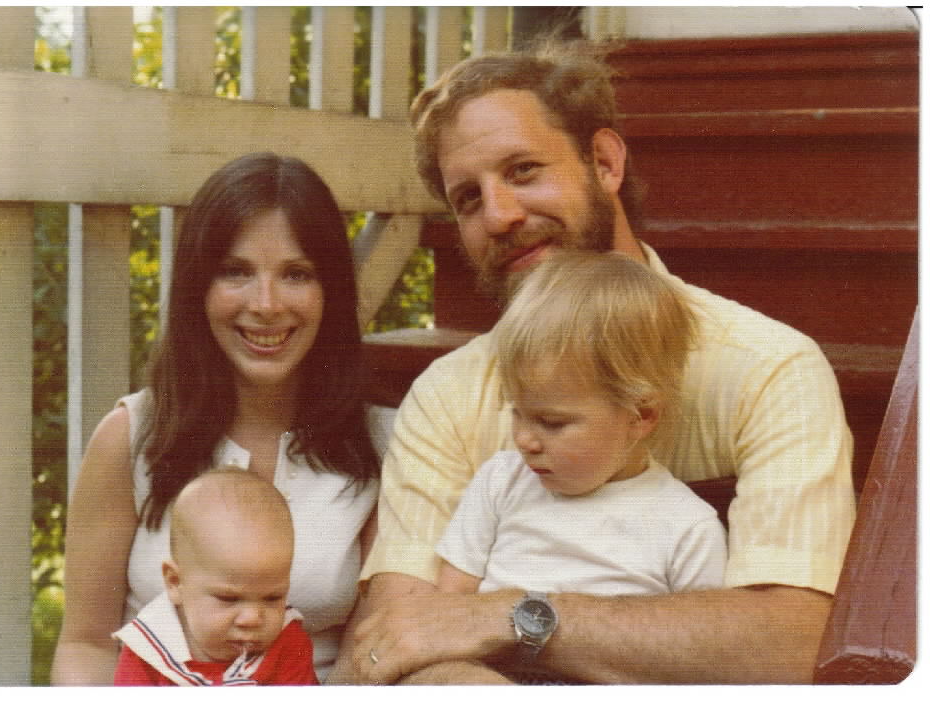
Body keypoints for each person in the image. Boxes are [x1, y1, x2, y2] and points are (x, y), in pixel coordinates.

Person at [343, 39, 857, 685]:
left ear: (605, 162)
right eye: (468, 199)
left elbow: (789, 645)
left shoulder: (767, 370)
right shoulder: (449, 397)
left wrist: (514, 615)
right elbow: (392, 643)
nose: (500, 215)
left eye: (524, 170)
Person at [52, 152, 386, 685]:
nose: (267, 304)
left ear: (333, 291)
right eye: (235, 272)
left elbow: (372, 655)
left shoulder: (383, 447)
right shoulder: (131, 436)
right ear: (196, 288)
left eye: (296, 274)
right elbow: (86, 644)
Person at [435, 252, 727, 678]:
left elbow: (700, 654)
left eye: (552, 422)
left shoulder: (687, 527)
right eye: (517, 411)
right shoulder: (501, 482)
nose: (525, 440)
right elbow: (449, 605)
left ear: (641, 416)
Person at [113, 469, 318, 686]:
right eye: (228, 599)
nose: (252, 618)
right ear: (175, 582)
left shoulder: (287, 643)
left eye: (272, 598)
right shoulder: (149, 647)